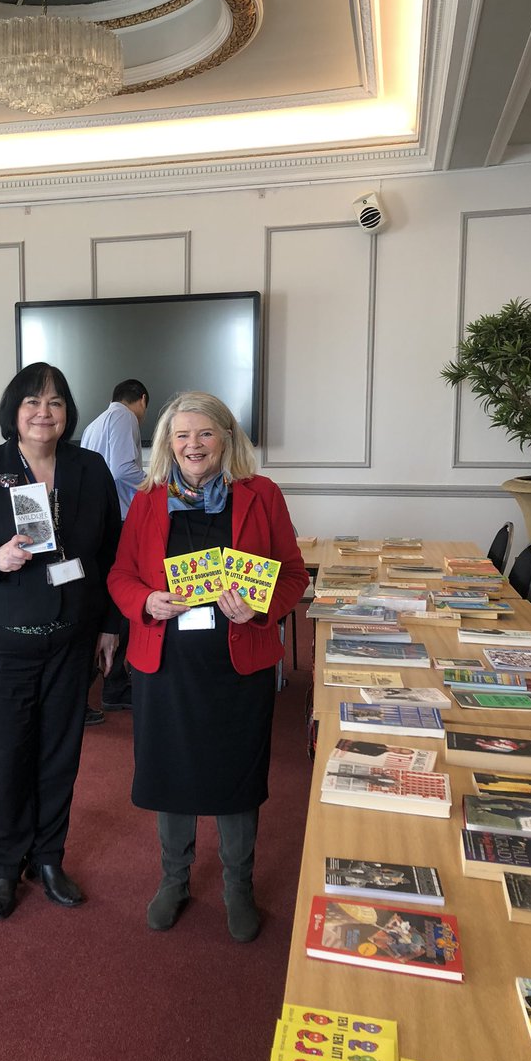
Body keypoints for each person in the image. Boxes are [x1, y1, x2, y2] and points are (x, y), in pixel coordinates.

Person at [108, 391, 309, 942]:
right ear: (167, 444)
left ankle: (237, 887)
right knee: (169, 772)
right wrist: (145, 601)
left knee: (236, 777)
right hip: (166, 664)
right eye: (181, 435)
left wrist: (260, 606)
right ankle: (174, 880)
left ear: (225, 438)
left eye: (204, 434)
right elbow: (120, 576)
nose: (192, 445)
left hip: (237, 664)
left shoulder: (261, 495)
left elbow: (293, 574)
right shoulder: (148, 500)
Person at [0, 362, 122, 920]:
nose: (45, 412)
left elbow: (111, 553)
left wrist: (111, 624)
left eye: (56, 402)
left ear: (68, 414)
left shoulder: (89, 469)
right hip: (1, 641)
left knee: (60, 754)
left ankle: (49, 857)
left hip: (70, 639)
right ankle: (2, 865)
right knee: (5, 755)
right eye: (33, 402)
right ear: (14, 412)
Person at [80, 378, 149, 719]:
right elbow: (124, 470)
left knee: (105, 603)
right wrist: (157, 488)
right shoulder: (125, 418)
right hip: (121, 521)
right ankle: (115, 684)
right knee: (121, 605)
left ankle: (103, 684)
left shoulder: (95, 423)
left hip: (102, 521)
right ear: (142, 400)